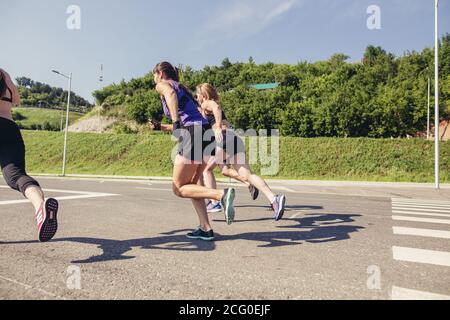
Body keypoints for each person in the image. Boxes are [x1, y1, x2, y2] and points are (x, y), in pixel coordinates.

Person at [150, 62, 236, 241]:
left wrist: (175, 123)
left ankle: (221, 195)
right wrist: (161, 126)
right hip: (204, 132)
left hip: (192, 134)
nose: (154, 80)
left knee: (179, 187)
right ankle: (205, 228)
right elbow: (192, 115)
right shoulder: (183, 88)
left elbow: (170, 95)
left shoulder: (164, 85)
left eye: (154, 76)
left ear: (160, 73)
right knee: (193, 183)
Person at [196, 83, 286, 221]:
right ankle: (274, 199)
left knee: (207, 170)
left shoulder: (207, 103)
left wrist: (218, 127)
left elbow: (216, 108)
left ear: (203, 95)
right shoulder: (203, 108)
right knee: (246, 174)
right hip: (233, 138)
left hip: (224, 139)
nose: (196, 97)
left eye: (197, 94)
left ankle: (215, 203)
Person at [0, 68, 58, 242]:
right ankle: (41, 208)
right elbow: (16, 100)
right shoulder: (5, 76)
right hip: (9, 128)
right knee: (16, 175)